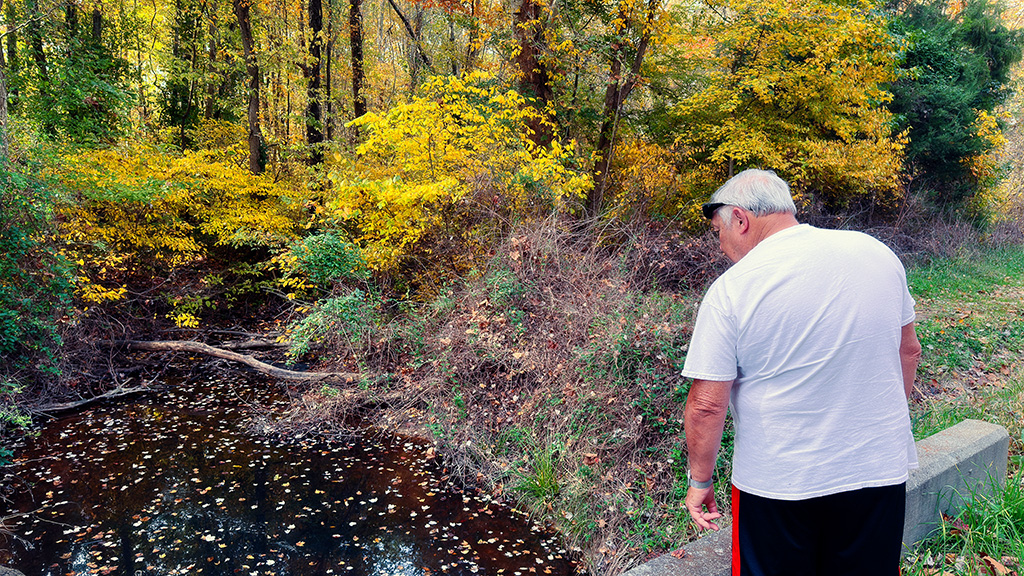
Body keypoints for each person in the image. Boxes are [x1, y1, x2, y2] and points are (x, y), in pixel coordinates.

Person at [680, 169, 922, 575]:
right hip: (877, 471)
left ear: (740, 219)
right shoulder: (876, 253)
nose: (721, 246)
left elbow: (706, 405)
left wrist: (700, 481)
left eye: (719, 232)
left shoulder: (733, 288)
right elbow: (909, 351)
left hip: (779, 483)